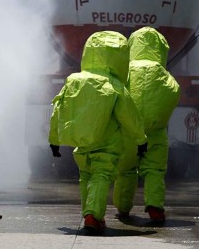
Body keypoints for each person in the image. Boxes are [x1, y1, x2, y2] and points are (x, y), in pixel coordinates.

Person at [48, 31, 146, 235]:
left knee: (85, 176)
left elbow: (58, 108)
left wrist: (54, 140)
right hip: (107, 143)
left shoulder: (74, 80)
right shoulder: (116, 86)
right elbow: (130, 116)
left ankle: (89, 214)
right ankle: (93, 215)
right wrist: (140, 138)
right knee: (101, 175)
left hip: (82, 142)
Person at [113, 27, 180, 222]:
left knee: (125, 170)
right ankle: (155, 207)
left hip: (128, 133)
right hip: (156, 133)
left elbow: (115, 94)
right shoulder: (162, 73)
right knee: (154, 170)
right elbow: (174, 92)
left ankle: (123, 207)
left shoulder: (124, 72)